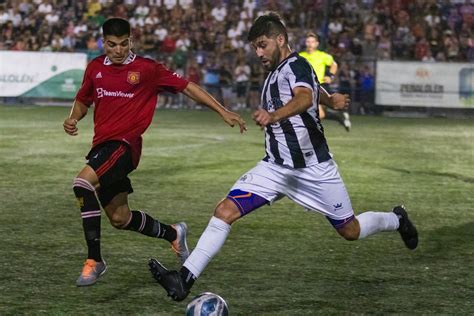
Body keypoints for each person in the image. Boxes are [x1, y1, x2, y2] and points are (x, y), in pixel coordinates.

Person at [148, 13, 418, 301]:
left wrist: (273, 115)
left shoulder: (297, 64)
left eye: (262, 45)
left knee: (350, 230)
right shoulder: (280, 72)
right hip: (275, 168)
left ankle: (396, 219)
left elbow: (303, 97)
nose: (258, 52)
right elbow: (313, 88)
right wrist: (330, 100)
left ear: (280, 39)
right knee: (225, 210)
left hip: (313, 169)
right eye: (255, 47)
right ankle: (183, 279)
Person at [63, 18, 246, 287]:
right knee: (119, 218)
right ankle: (173, 233)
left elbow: (188, 87)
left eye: (123, 44)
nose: (118, 50)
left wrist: (222, 110)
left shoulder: (146, 69)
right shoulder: (95, 68)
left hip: (125, 146)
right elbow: (83, 99)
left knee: (82, 184)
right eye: (112, 45)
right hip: (102, 147)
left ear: (131, 41)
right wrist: (73, 118)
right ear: (104, 43)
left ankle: (95, 261)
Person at [299, 32, 352, 132]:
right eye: (308, 41)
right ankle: (341, 118)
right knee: (320, 113)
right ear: (305, 43)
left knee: (318, 113)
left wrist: (330, 76)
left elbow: (334, 65)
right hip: (305, 87)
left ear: (316, 44)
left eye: (312, 42)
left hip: (320, 86)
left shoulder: (322, 56)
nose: (310, 44)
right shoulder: (300, 56)